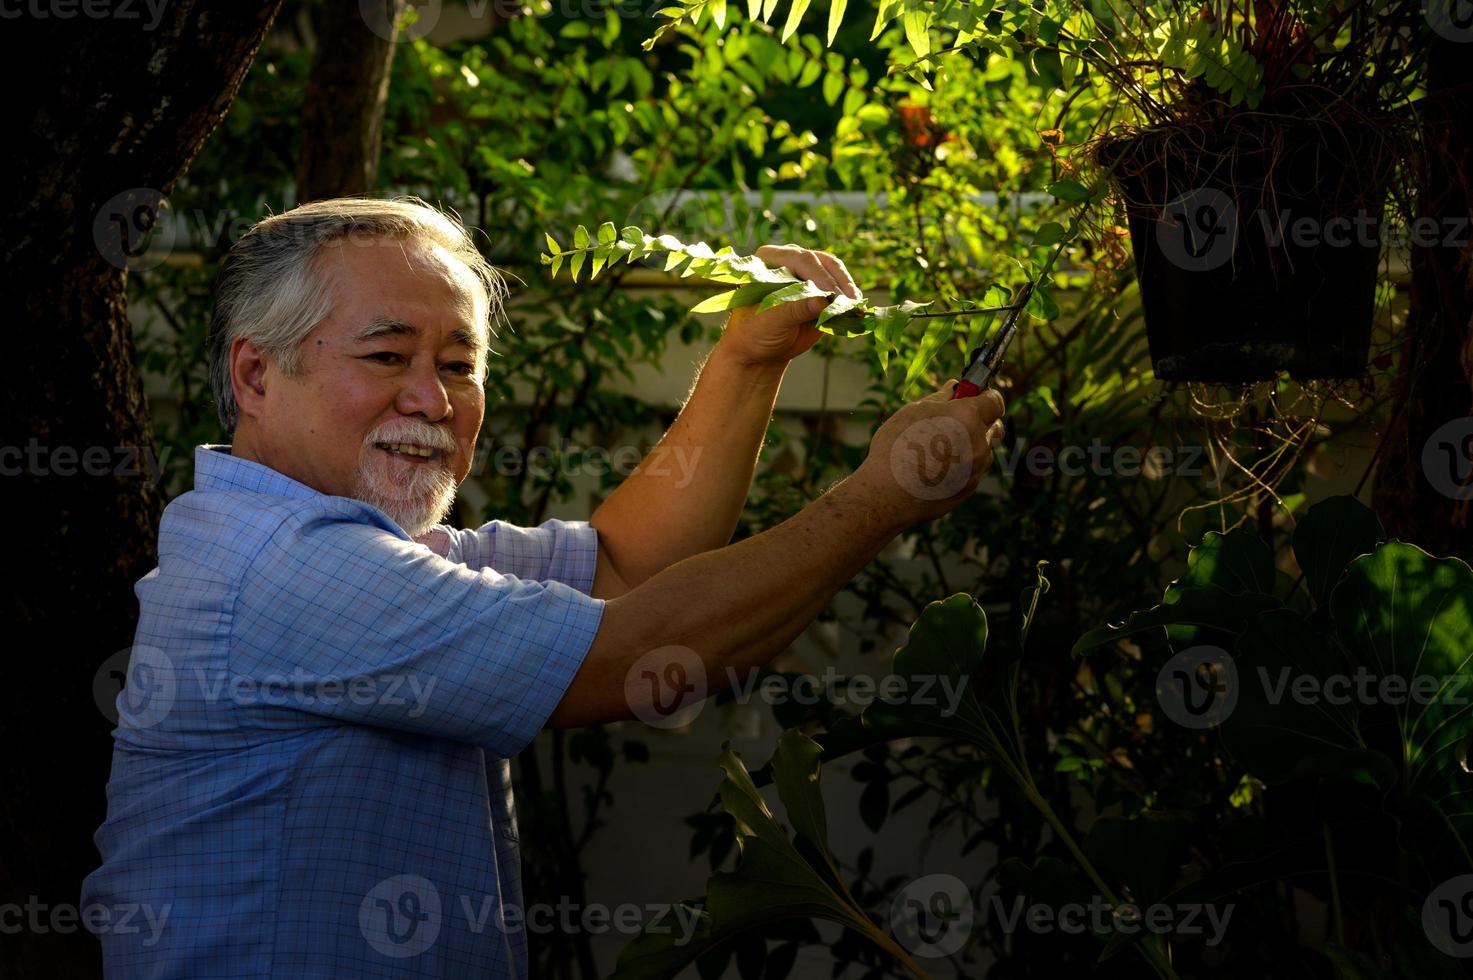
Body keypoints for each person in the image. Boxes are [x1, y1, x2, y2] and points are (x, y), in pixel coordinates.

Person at [80, 196, 1006, 978]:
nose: (432, 400)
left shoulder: (358, 550)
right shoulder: (286, 565)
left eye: (458, 365)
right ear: (255, 372)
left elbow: (626, 567)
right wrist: (879, 499)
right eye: (386, 356)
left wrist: (746, 362)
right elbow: (634, 656)